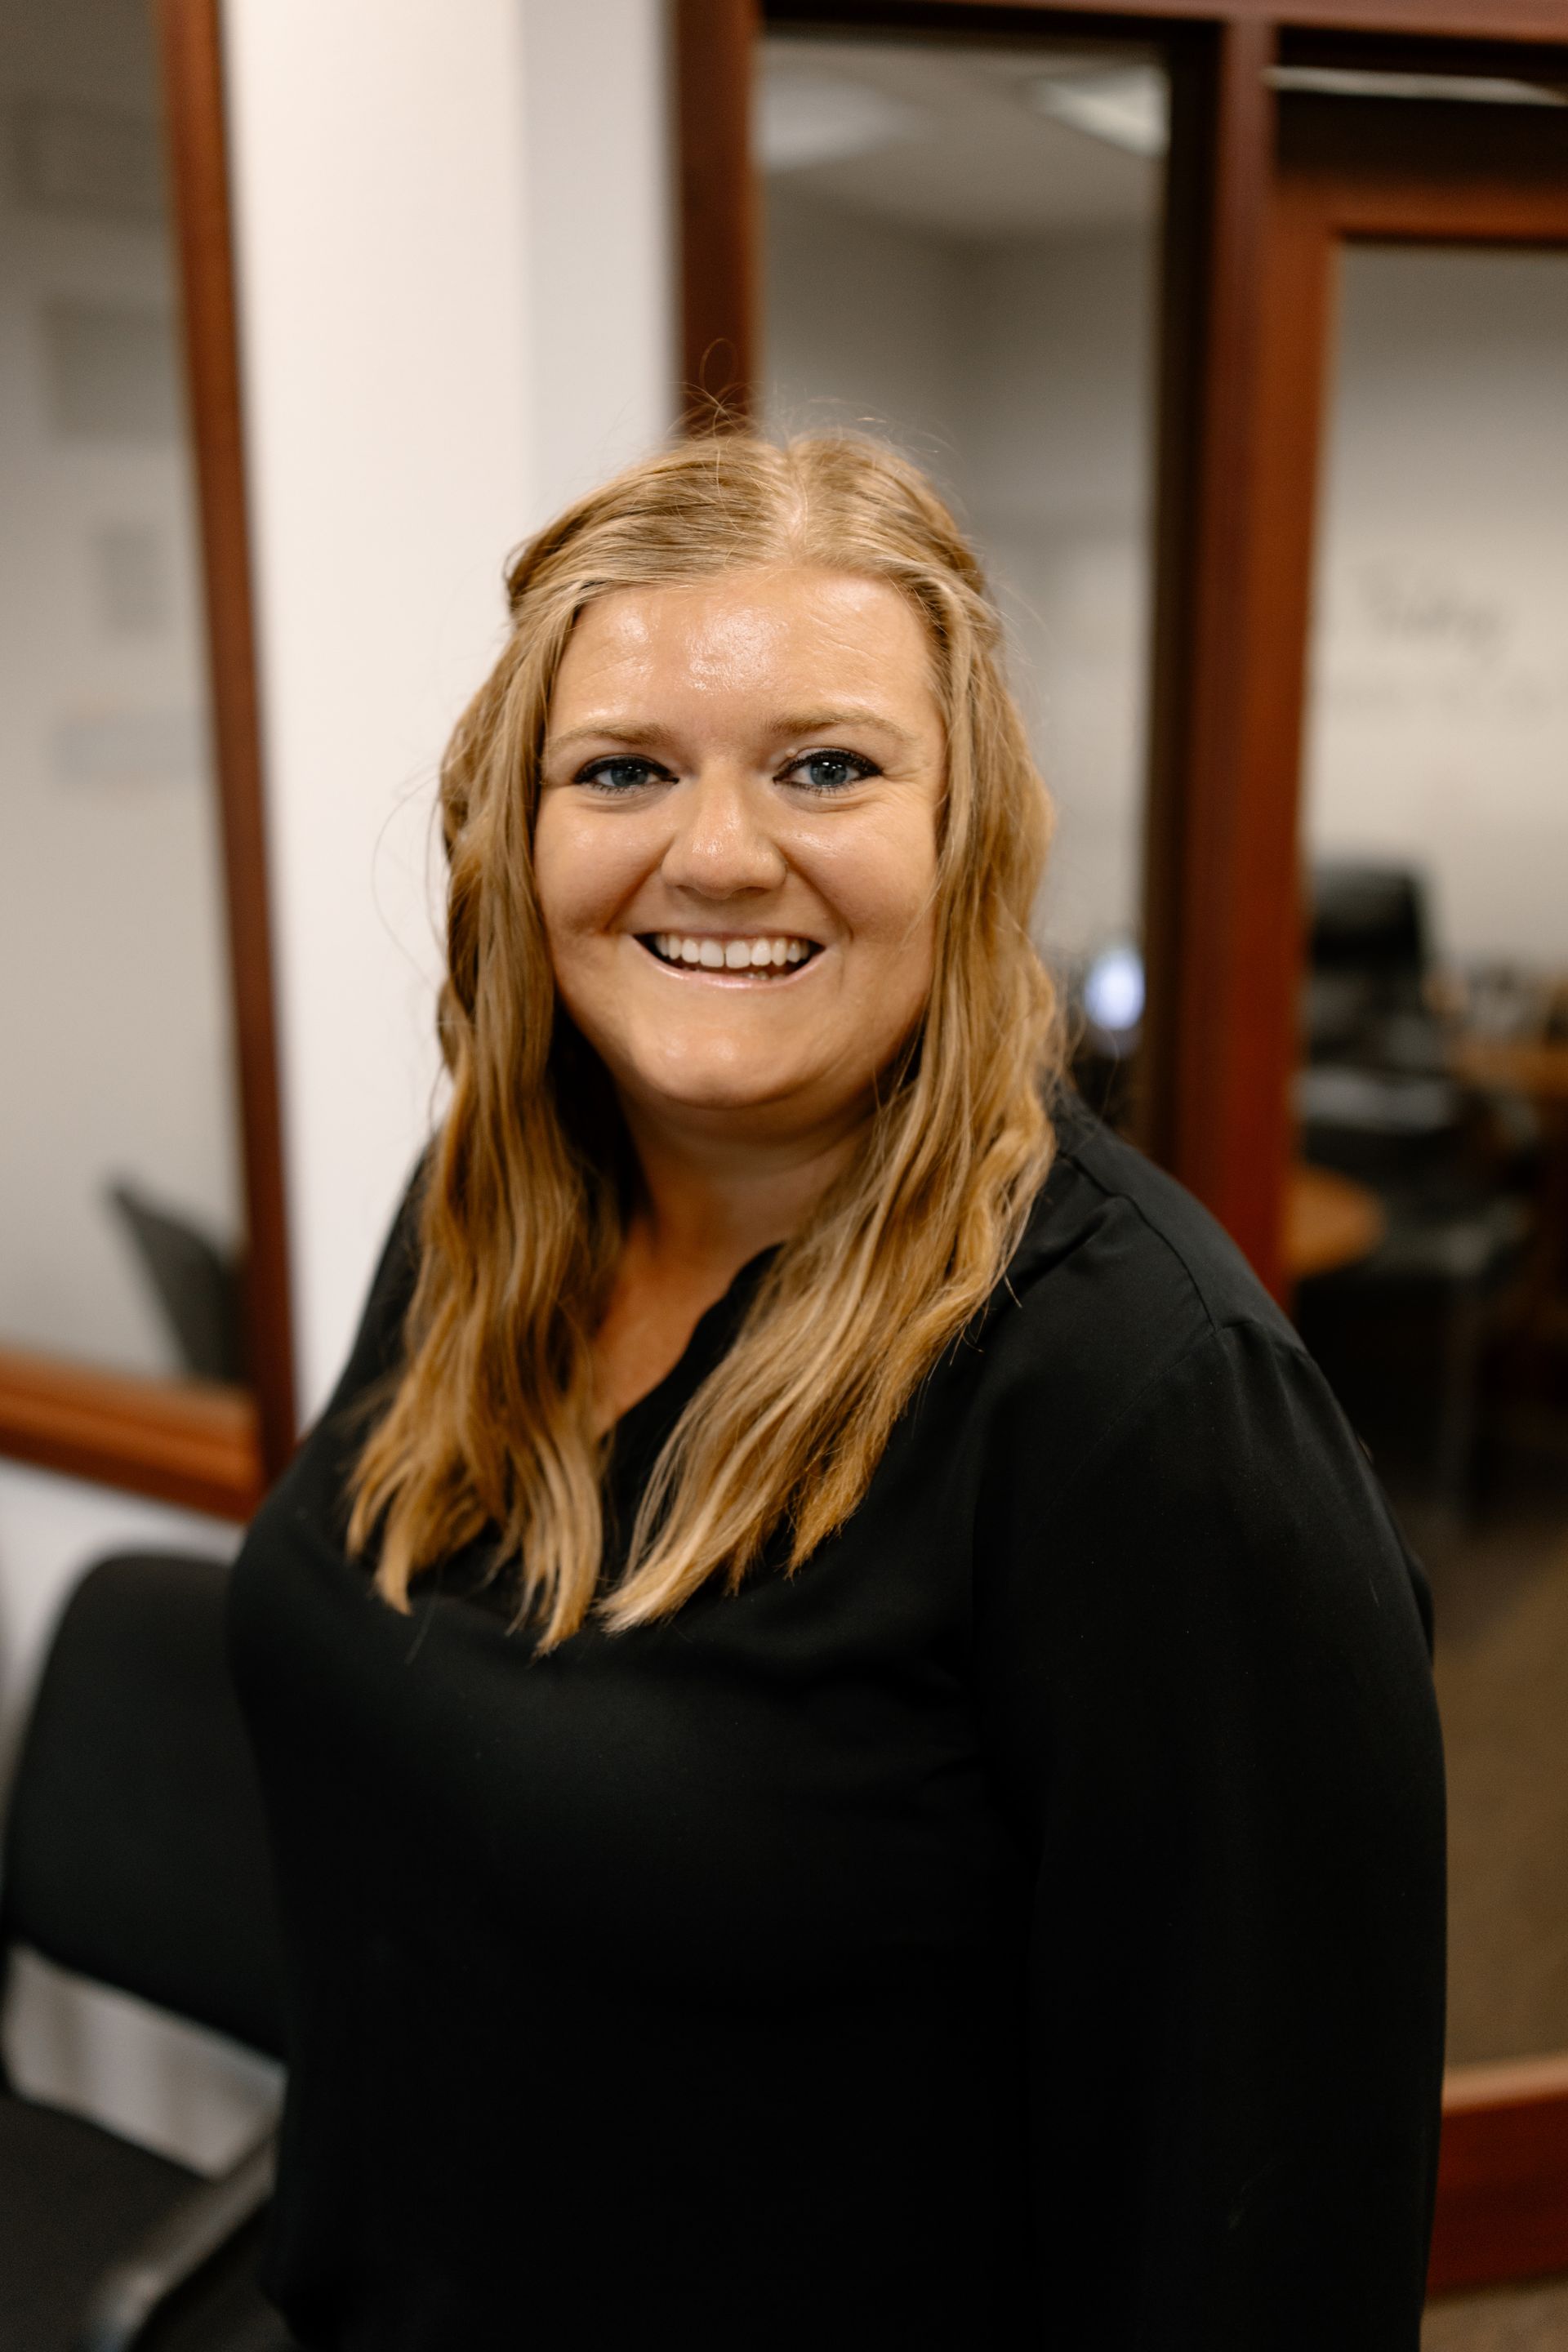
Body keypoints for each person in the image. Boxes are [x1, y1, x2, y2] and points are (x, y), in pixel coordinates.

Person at [227, 433, 1446, 2350]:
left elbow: (1261, 2236)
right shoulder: (483, 1220)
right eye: (623, 767)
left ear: (965, 830)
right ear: (516, 831)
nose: (719, 850)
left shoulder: (1141, 1402)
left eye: (827, 766)